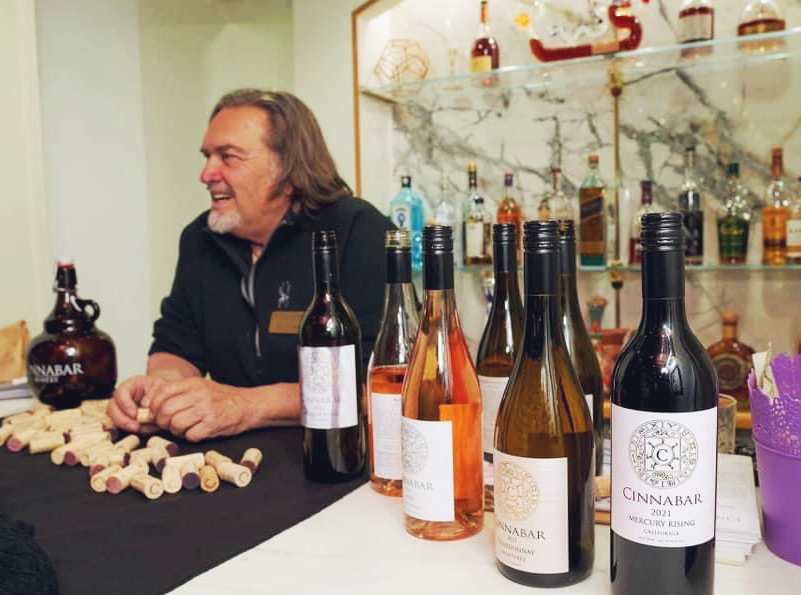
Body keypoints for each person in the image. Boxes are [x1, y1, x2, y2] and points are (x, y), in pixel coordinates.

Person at [108, 89, 393, 442]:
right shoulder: (198, 239)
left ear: (286, 169)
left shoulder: (359, 231)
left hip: (336, 456)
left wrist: (246, 406)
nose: (206, 174)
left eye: (228, 157)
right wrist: (162, 391)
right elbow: (176, 346)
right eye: (207, 156)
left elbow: (379, 381)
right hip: (228, 460)